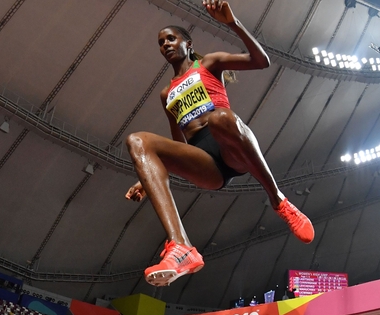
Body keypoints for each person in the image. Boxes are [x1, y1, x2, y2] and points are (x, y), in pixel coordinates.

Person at [124, 0, 314, 287]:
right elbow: (179, 143)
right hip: (204, 162)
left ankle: (278, 199)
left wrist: (232, 22)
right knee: (136, 140)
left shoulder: (209, 63)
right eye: (161, 43)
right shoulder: (166, 94)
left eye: (171, 38)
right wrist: (148, 173)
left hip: (230, 144)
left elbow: (261, 61)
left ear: (187, 42)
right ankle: (181, 246)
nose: (165, 45)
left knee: (219, 118)